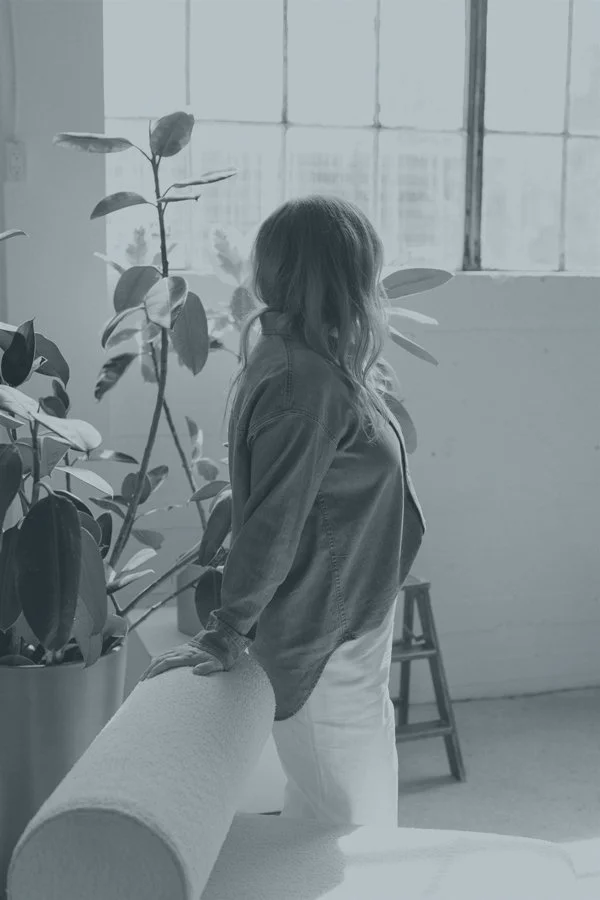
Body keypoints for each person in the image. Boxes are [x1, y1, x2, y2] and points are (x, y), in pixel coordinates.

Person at [140, 194, 426, 828]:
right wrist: (225, 630)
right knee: (350, 827)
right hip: (325, 626)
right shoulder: (307, 386)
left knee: (336, 815)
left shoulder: (314, 366)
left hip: (347, 616)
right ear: (347, 275)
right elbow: (272, 523)